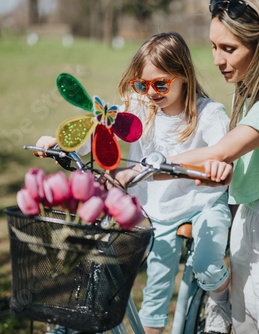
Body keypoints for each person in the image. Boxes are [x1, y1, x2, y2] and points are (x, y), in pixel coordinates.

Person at [116, 1, 259, 333]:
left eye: (228, 48)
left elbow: (223, 149)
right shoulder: (244, 92)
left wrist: (147, 165)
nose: (217, 60)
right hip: (247, 221)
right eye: (214, 47)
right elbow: (235, 163)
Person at [37, 32, 233, 334]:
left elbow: (224, 151)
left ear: (184, 75)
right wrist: (61, 144)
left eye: (160, 84)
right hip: (157, 208)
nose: (150, 92)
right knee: (155, 287)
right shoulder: (140, 111)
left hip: (202, 204)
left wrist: (218, 165)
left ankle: (221, 301)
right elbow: (98, 133)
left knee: (207, 265)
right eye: (142, 84)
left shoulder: (209, 114)